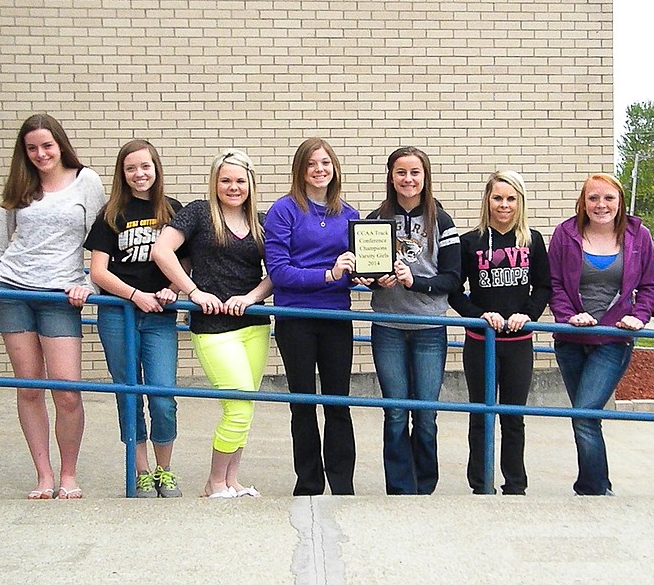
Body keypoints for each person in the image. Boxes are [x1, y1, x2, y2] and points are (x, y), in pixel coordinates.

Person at [0, 114, 105, 500]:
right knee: (29, 387)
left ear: (60, 145)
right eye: (31, 148)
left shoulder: (87, 181)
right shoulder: (21, 183)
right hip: (13, 289)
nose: (40, 154)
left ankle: (69, 474)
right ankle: (44, 475)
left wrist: (87, 284)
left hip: (60, 295)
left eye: (47, 146)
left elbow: (102, 241)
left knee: (66, 391)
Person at [152, 149, 272, 499]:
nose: (233, 187)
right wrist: (193, 291)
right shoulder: (199, 213)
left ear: (250, 183)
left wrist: (251, 297)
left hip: (254, 324)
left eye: (240, 181)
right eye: (225, 180)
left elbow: (278, 271)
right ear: (214, 182)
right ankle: (214, 483)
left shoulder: (261, 221)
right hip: (213, 326)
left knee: (245, 408)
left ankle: (232, 480)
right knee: (235, 408)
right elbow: (162, 251)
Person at [84, 139, 185, 498]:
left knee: (161, 395)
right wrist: (134, 295)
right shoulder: (111, 213)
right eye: (131, 168)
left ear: (156, 169)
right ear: (122, 174)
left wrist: (174, 287)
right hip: (119, 314)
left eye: (145, 166)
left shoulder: (173, 211)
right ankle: (141, 471)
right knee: (129, 395)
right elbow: (98, 270)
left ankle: (165, 470)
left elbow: (185, 262)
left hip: (160, 316)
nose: (139, 174)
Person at [549, 173, 654, 496]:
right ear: (583, 202)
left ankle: (594, 490)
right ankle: (593, 484)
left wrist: (638, 317)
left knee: (584, 414)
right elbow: (554, 284)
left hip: (613, 340)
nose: (601, 205)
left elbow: (649, 287)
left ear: (620, 201)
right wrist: (569, 316)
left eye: (609, 198)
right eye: (593, 198)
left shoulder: (639, 236)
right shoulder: (565, 234)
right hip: (571, 339)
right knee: (587, 417)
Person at [362, 146, 461, 495]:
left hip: (429, 329)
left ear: (425, 176)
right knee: (395, 413)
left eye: (415, 172)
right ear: (391, 176)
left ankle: (425, 487)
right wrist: (373, 278)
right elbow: (366, 270)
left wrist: (414, 281)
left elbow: (452, 279)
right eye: (401, 172)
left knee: (426, 415)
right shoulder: (374, 220)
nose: (408, 179)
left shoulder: (442, 221)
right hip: (388, 327)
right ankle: (400, 490)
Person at [264, 138, 358, 496]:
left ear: (334, 168)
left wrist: (367, 273)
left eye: (326, 163)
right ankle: (308, 483)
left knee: (338, 403)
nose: (320, 170)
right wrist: (327, 275)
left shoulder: (348, 214)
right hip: (296, 319)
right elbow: (279, 271)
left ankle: (342, 483)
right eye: (312, 164)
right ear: (300, 170)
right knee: (303, 403)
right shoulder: (284, 211)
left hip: (336, 318)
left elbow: (356, 267)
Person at [448, 170, 551, 495]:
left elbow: (544, 286)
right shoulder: (470, 242)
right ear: (487, 201)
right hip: (481, 342)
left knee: (513, 417)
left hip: (519, 343)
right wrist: (479, 315)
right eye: (497, 198)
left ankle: (515, 486)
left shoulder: (531, 240)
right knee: (481, 416)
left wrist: (528, 314)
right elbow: (453, 291)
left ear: (520, 202)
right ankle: (480, 485)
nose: (504, 205)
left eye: (510, 199)